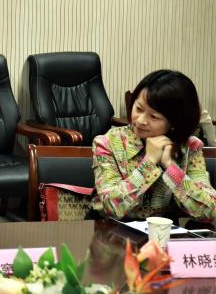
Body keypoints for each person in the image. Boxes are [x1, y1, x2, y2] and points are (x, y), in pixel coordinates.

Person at [92, 70, 216, 220]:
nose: (140, 120)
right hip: (114, 231)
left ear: (174, 122)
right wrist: (149, 162)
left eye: (154, 116)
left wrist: (170, 166)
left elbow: (211, 211)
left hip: (168, 231)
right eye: (138, 109)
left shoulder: (190, 147)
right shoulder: (108, 142)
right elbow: (110, 208)